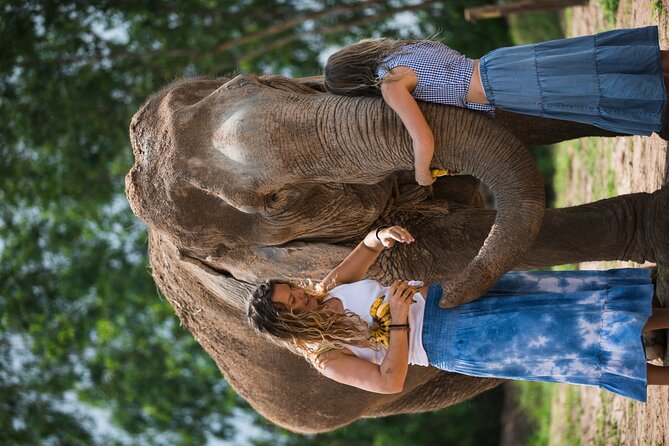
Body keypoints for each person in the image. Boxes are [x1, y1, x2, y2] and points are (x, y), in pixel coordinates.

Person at [247, 225, 669, 401]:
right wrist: (395, 319)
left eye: (294, 292)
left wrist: (381, 234)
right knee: (567, 338)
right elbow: (389, 381)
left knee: (566, 302)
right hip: (453, 340)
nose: (303, 299)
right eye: (293, 306)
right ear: (287, 325)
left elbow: (368, 249)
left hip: (451, 294)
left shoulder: (329, 288)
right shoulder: (326, 356)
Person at [324, 27, 669, 185]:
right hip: (497, 63)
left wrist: (422, 175)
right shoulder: (401, 50)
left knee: (585, 90)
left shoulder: (390, 85)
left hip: (501, 87)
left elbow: (422, 139)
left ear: (354, 86)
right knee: (584, 61)